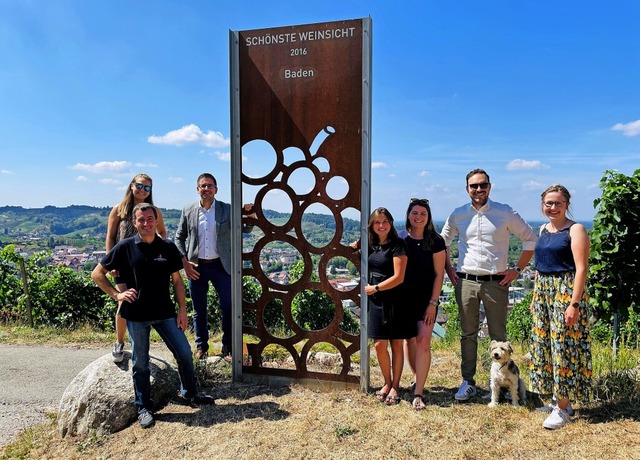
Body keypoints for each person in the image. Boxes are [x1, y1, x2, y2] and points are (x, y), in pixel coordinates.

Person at [92, 203, 213, 429]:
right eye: (141, 220)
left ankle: (190, 393)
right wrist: (117, 295)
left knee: (185, 354)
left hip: (165, 313)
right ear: (135, 222)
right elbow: (97, 274)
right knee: (141, 364)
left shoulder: (167, 247)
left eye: (150, 219)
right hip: (136, 315)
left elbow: (177, 282)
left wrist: (183, 311)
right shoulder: (125, 247)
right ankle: (144, 407)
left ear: (156, 221)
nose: (146, 223)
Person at [441, 168, 537, 401]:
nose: (478, 189)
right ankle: (468, 382)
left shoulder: (505, 212)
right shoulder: (458, 214)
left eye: (482, 185)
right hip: (466, 282)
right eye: (474, 186)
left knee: (499, 336)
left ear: (489, 187)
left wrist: (516, 270)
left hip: (496, 282)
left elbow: (530, 238)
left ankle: (504, 386)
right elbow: (442, 242)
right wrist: (448, 268)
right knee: (468, 334)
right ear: (467, 189)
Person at [529, 184, 591, 430]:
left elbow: (581, 268)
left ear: (567, 204)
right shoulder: (543, 229)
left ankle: (563, 408)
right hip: (544, 291)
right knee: (546, 346)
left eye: (558, 203)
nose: (553, 207)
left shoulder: (575, 229)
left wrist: (574, 303)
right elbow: (540, 265)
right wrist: (535, 296)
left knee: (563, 346)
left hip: (565, 291)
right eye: (548, 203)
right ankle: (557, 398)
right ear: (542, 205)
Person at [175, 173, 255, 361]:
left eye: (210, 186)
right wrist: (184, 262)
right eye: (203, 186)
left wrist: (251, 214)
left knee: (227, 307)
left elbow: (246, 229)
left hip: (222, 266)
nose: (206, 189)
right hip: (196, 266)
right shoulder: (188, 210)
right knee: (198, 309)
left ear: (216, 190)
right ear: (197, 189)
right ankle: (201, 347)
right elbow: (179, 237)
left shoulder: (227, 209)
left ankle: (228, 347)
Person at [105, 173, 166, 363]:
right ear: (132, 186)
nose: (143, 190)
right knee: (124, 302)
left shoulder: (153, 210)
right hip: (123, 263)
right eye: (140, 186)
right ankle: (120, 342)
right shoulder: (119, 209)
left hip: (146, 263)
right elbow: (110, 236)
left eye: (147, 188)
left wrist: (161, 251)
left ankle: (139, 344)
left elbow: (162, 231)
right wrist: (110, 262)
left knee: (145, 301)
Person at [399, 198, 446, 410]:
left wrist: (433, 303)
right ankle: (418, 379)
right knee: (409, 341)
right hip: (403, 299)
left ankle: (418, 392)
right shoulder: (400, 238)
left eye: (423, 213)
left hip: (427, 300)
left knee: (424, 341)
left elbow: (439, 274)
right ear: (408, 215)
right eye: (415, 213)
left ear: (428, 217)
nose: (418, 216)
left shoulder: (435, 241)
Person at [362, 207, 411, 405]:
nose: (381, 226)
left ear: (390, 223)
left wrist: (376, 288)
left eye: (385, 222)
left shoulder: (398, 245)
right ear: (372, 226)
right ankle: (386, 382)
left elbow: (399, 277)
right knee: (379, 344)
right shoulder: (371, 245)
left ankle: (396, 385)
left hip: (395, 299)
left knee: (396, 343)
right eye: (377, 222)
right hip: (376, 300)